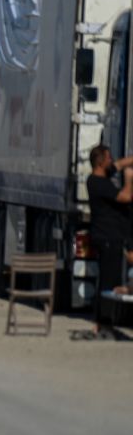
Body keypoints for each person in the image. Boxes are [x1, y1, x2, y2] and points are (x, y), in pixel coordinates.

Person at [85, 144, 133, 339]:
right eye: (108, 158)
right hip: (107, 237)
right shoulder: (98, 182)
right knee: (108, 282)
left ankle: (103, 322)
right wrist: (129, 179)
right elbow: (126, 196)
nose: (112, 160)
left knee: (109, 281)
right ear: (100, 162)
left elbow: (121, 164)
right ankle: (101, 323)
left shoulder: (102, 175)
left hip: (111, 236)